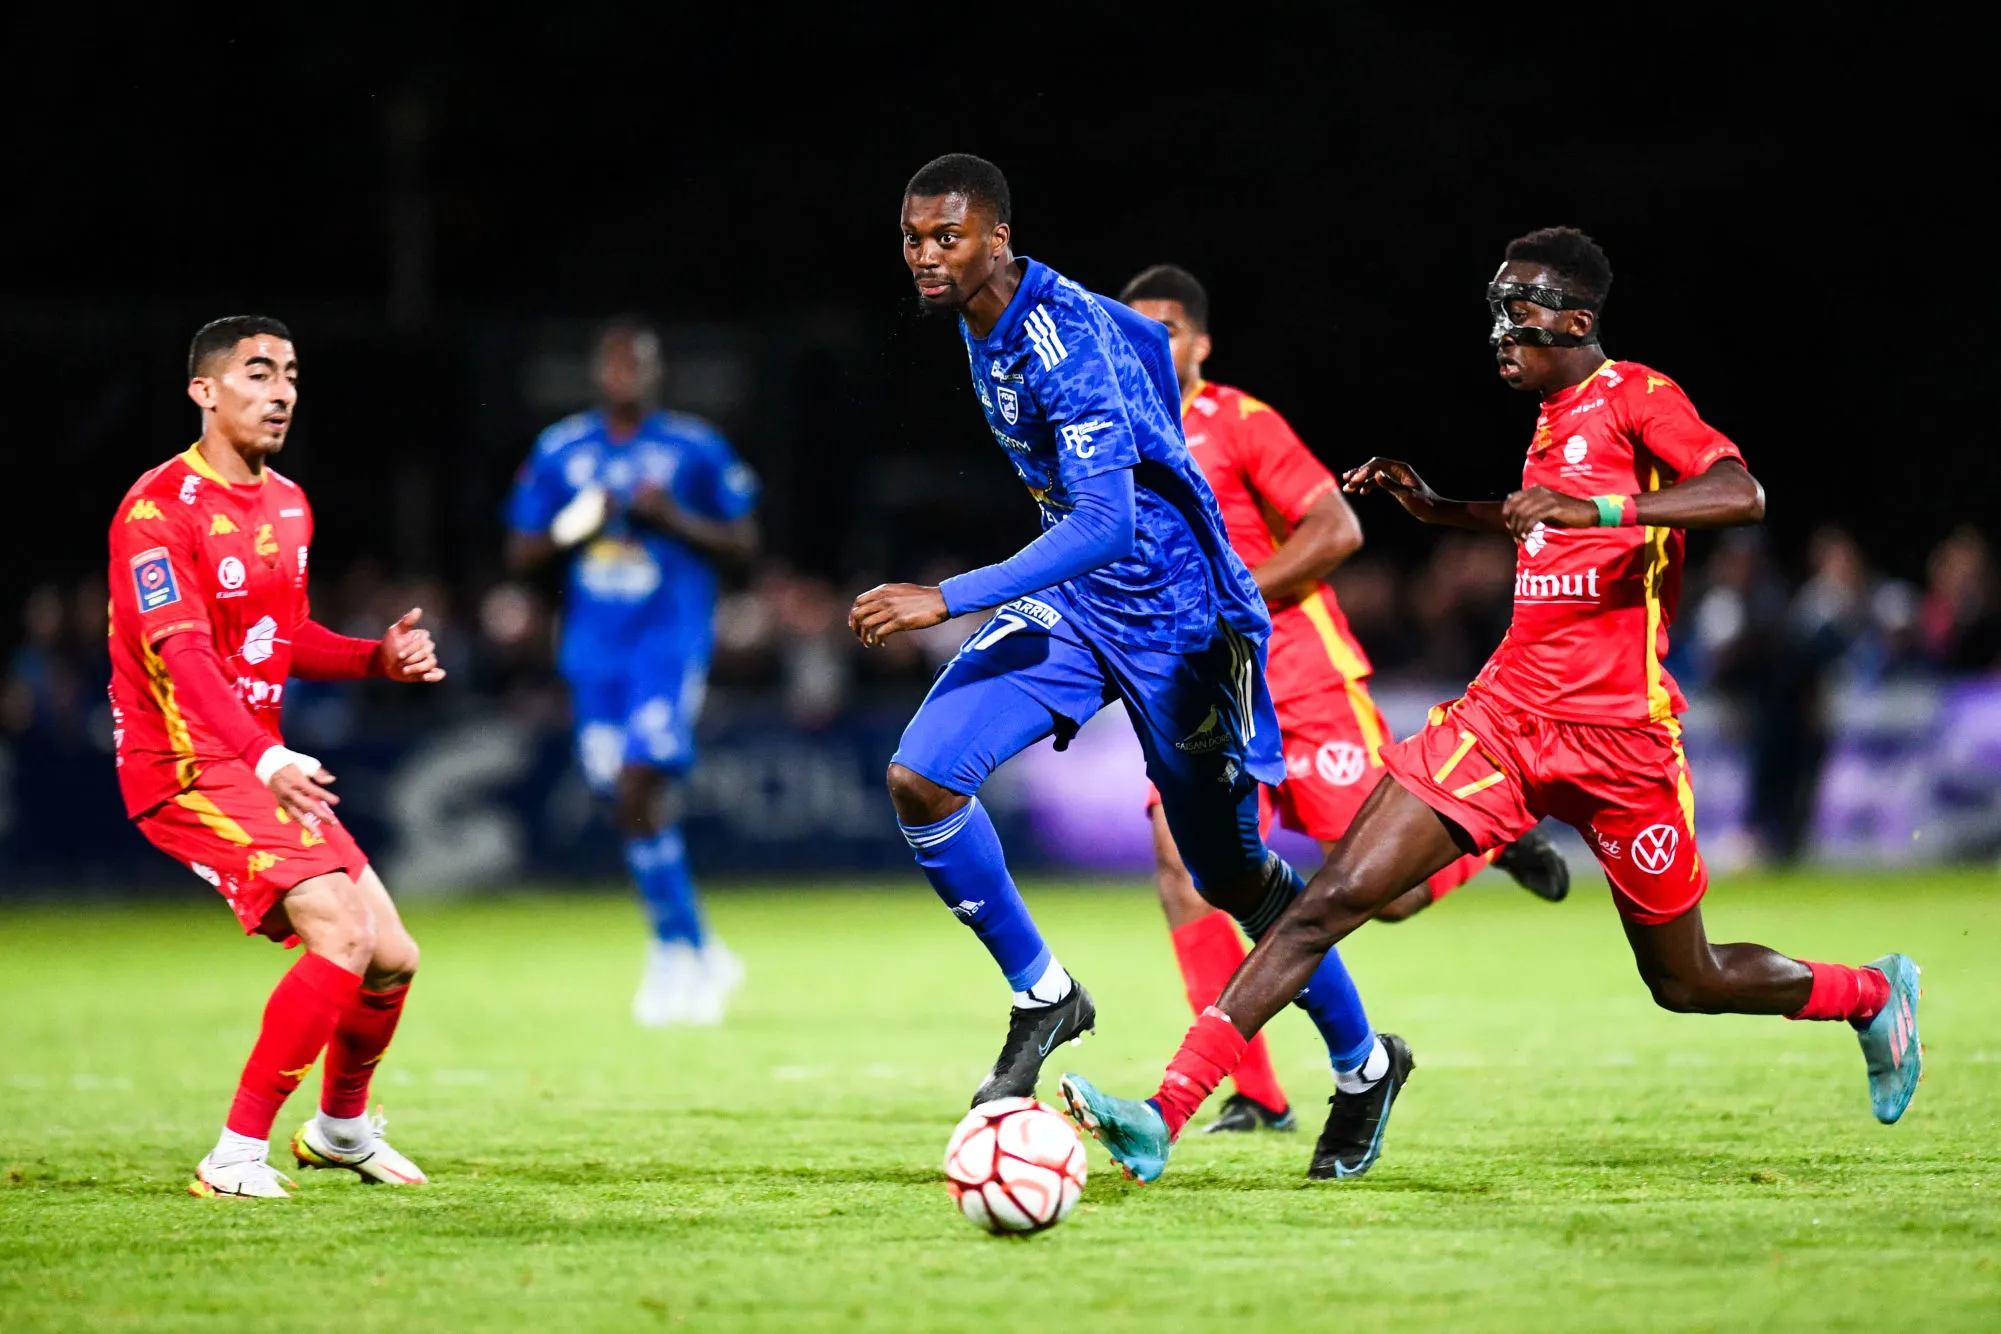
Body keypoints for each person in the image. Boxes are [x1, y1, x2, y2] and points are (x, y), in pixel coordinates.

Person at [1061, 228, 1922, 1182]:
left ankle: (1868, 994)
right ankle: (1164, 1111)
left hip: (1622, 739)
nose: (1498, 331)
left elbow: (1737, 490)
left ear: (1576, 319)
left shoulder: (1637, 396)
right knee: (1325, 903)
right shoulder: (1552, 417)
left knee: (1686, 980)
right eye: (1493, 310)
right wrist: (1443, 511)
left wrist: (1597, 513)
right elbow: (1540, 527)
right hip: (1504, 719)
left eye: (1515, 311)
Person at [850, 154, 1403, 1180]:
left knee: (1229, 872)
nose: (928, 256)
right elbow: (1148, 340)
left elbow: (1104, 520)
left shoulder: (1052, 343)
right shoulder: (998, 314)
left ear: (997, 238)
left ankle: (1365, 1064)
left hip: (1181, 625)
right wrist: (1167, 455)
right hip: (1074, 606)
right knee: (921, 775)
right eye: (914, 237)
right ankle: (1044, 993)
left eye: (949, 237)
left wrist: (946, 593)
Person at [1114, 265, 1570, 1135]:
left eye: (1166, 327)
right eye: (1133, 329)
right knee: (1180, 869)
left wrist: (1228, 596)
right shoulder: (1117, 438)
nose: (1150, 344)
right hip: (1206, 694)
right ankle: (1254, 1092)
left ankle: (1488, 839)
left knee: (1383, 894)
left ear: (1201, 342)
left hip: (1303, 680)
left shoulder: (1241, 423)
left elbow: (1338, 530)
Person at [109, 316, 445, 1198]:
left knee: (392, 954)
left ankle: (338, 1132)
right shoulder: (155, 512)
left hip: (251, 758)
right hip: (184, 762)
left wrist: (375, 657)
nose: (282, 390)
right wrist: (265, 760)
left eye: (291, 373)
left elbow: (279, 635)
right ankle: (234, 1156)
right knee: (339, 928)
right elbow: (184, 659)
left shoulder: (288, 503)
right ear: (204, 391)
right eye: (258, 373)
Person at [507, 320, 760, 1025]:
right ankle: (696, 946)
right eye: (614, 363)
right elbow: (522, 551)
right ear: (598, 372)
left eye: (638, 364)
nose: (626, 374)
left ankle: (672, 952)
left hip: (666, 644)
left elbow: (744, 542)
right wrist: (576, 527)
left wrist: (672, 518)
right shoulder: (562, 449)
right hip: (593, 651)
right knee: (629, 804)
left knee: (636, 782)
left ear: (655, 372)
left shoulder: (692, 447)